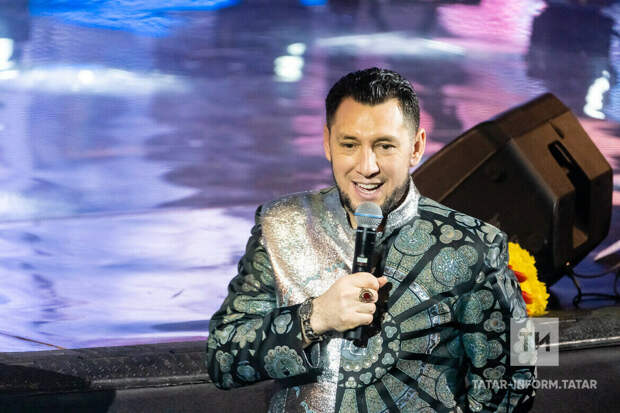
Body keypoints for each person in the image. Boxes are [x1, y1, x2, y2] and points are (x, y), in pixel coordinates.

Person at [206, 68, 536, 412]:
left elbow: (520, 378)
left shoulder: (476, 245)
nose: (367, 166)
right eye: (349, 145)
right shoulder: (280, 225)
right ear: (327, 142)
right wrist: (314, 317)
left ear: (416, 147)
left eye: (385, 146)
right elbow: (220, 359)